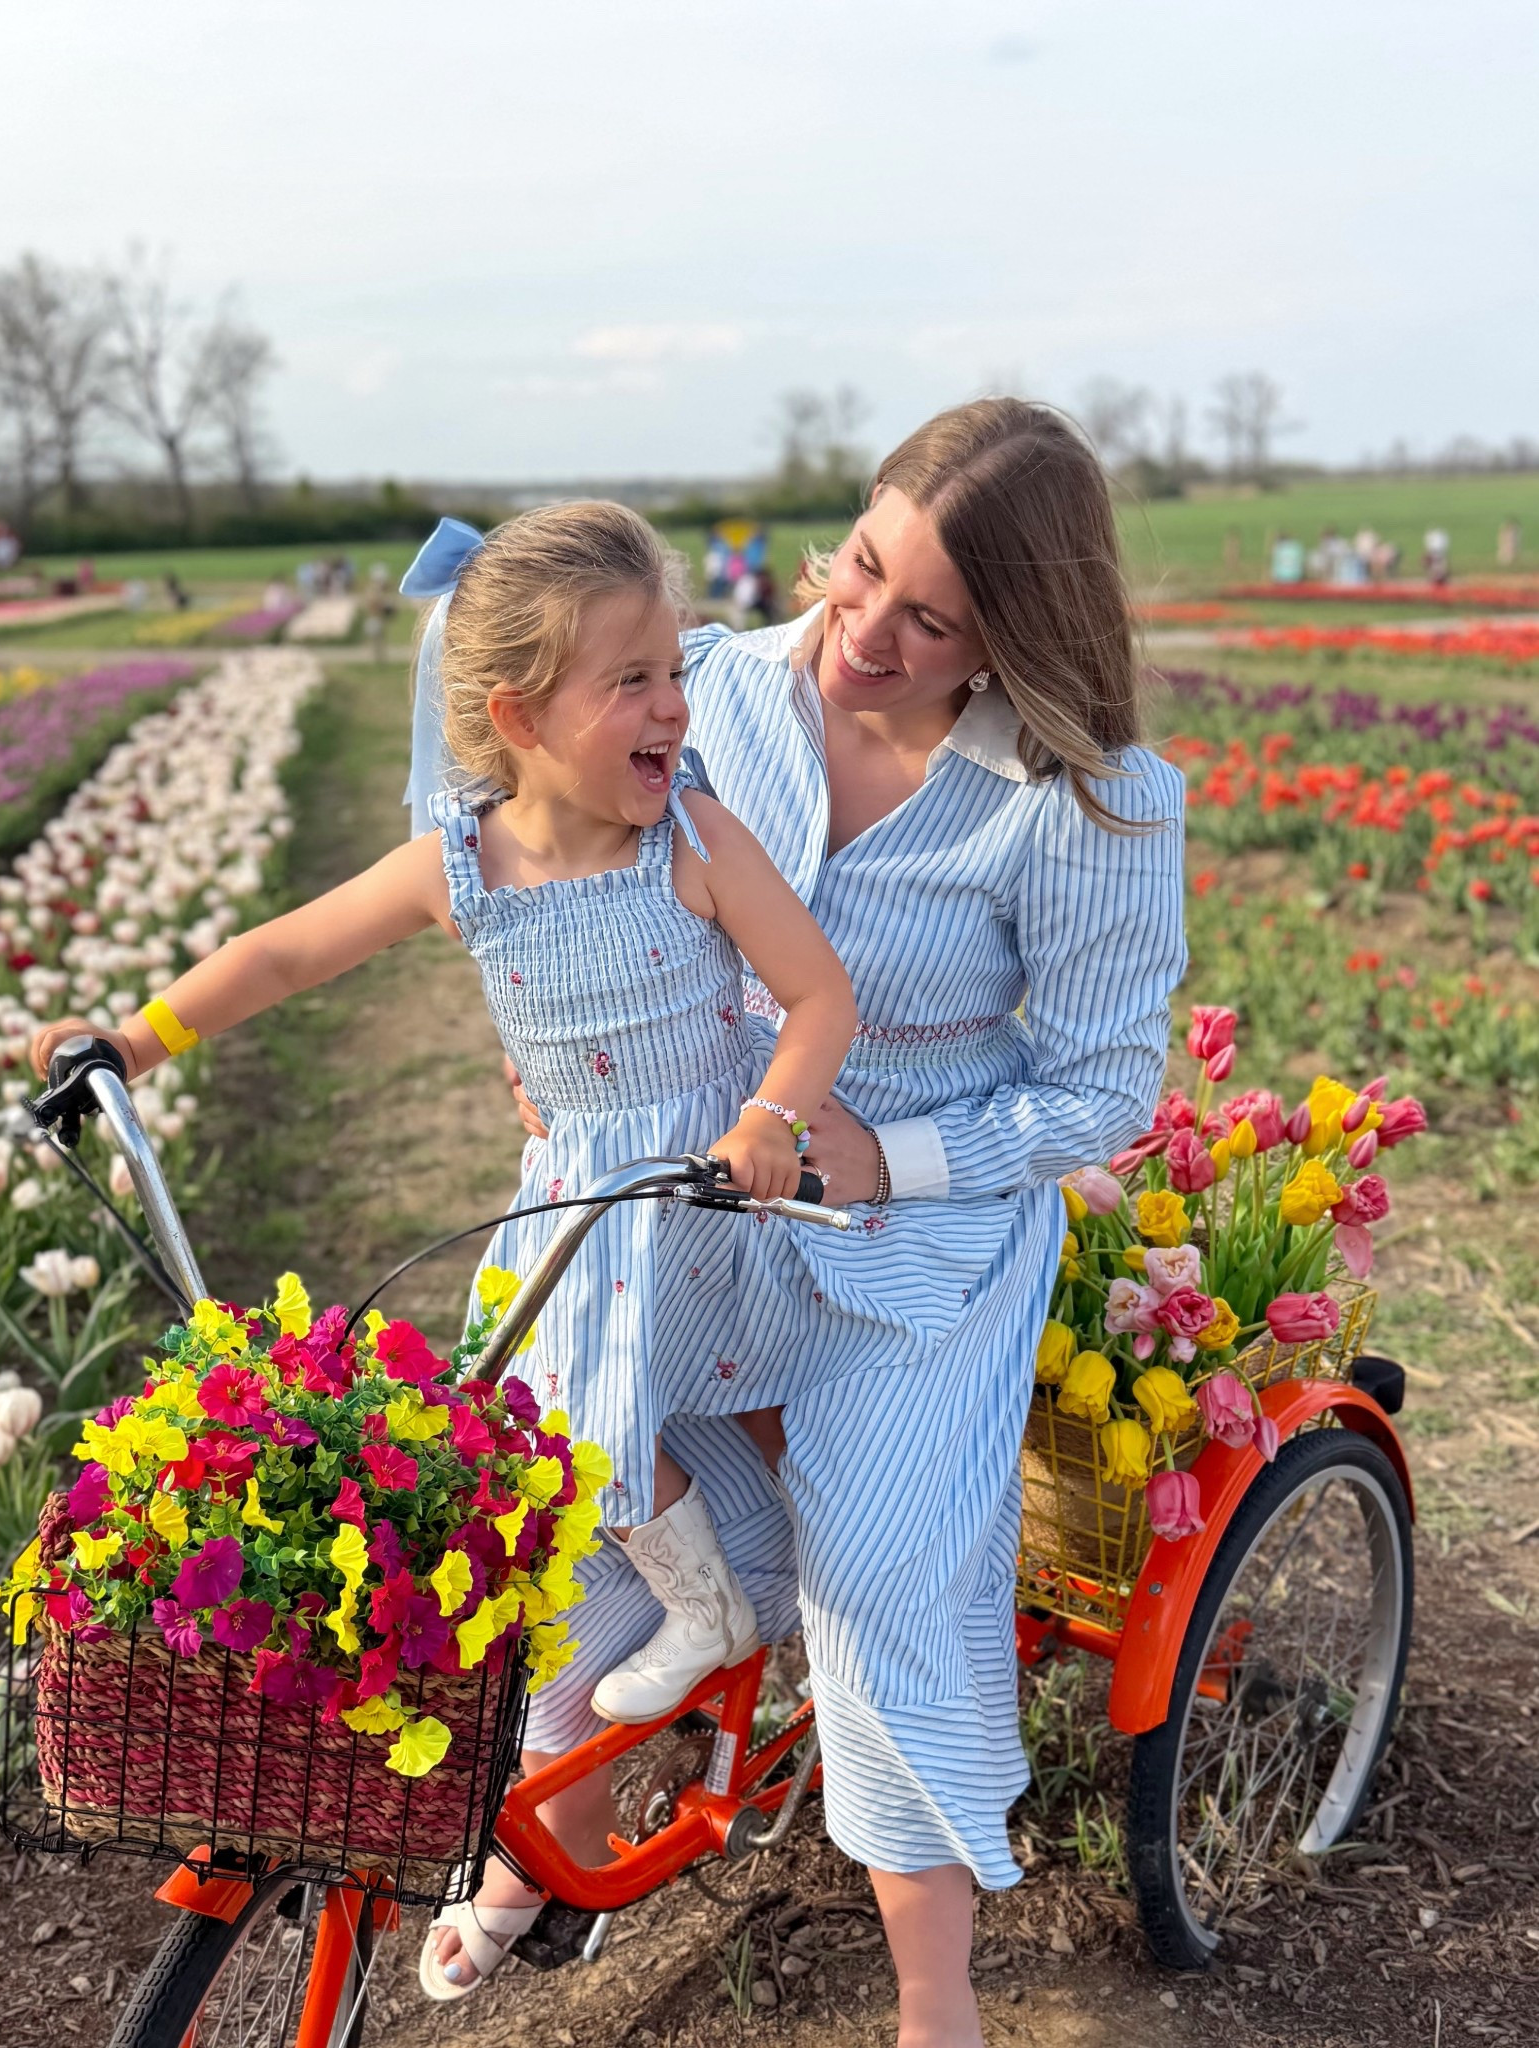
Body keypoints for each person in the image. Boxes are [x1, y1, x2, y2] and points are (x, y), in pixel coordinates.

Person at [405, 399, 1187, 2048]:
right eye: (861, 567)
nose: (863, 634)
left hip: (920, 1240)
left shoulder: (1084, 801)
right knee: (563, 1486)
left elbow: (1104, 1088)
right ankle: (548, 1839)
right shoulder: (703, 686)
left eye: (932, 623)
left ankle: (932, 1998)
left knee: (881, 1581)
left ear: (1019, 637)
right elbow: (535, 852)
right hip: (691, 1201)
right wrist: (549, 1038)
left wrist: (882, 1156)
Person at [28, 494, 857, 1873]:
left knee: (723, 1436)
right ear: (516, 717)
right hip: (579, 1204)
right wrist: (132, 1041)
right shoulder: (462, 866)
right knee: (543, 1460)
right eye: (631, 681)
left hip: (709, 1192)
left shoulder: (694, 843)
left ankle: (761, 1635)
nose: (672, 705)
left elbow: (818, 994)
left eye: (673, 670)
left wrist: (771, 1114)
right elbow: (283, 953)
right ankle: (578, 1804)